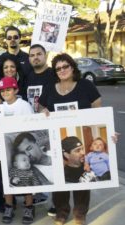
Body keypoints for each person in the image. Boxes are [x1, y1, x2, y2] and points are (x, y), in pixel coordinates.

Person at [38, 53, 102, 225]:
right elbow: (41, 106)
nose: (62, 70)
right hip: (56, 140)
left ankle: (80, 213)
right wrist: (43, 111)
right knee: (59, 177)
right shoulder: (50, 88)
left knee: (82, 174)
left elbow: (98, 110)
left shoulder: (85, 85)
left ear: (72, 67)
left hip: (80, 135)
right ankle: (61, 211)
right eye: (58, 68)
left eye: (65, 66)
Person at [0, 76, 35, 224]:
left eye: (8, 89)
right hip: (5, 150)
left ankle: (29, 206)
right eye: (2, 90)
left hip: (21, 149)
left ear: (16, 90)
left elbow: (32, 126)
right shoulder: (0, 107)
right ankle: (9, 206)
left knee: (26, 178)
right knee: (7, 179)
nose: (5, 92)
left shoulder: (24, 105)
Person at [27, 44, 56, 214]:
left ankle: (55, 203)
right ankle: (43, 193)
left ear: (45, 56)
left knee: (53, 163)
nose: (35, 57)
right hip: (32, 125)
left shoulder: (53, 74)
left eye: (39, 54)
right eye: (32, 55)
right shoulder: (28, 76)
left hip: (51, 124)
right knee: (38, 162)